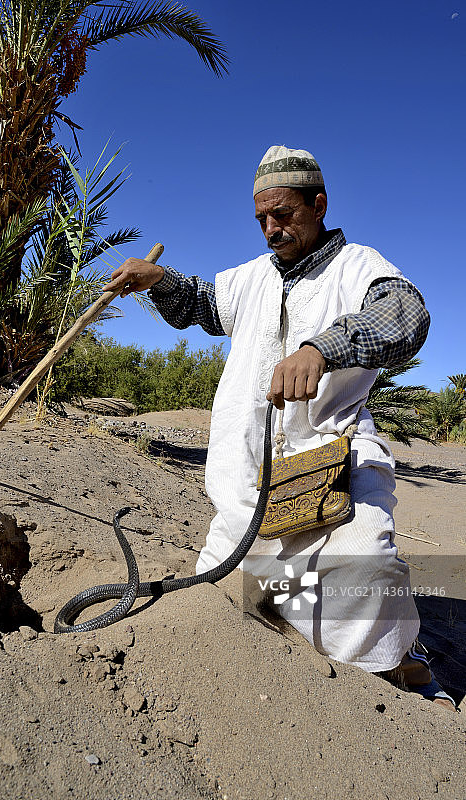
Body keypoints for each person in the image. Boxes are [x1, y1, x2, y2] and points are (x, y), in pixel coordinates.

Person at [103, 145, 456, 712]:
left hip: (333, 459)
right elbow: (196, 303)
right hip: (250, 476)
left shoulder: (359, 267)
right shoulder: (249, 279)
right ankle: (306, 625)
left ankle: (401, 663)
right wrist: (159, 279)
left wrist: (323, 347)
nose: (271, 229)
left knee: (366, 564)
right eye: (262, 218)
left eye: (284, 215)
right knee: (228, 591)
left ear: (318, 204)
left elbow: (407, 316)